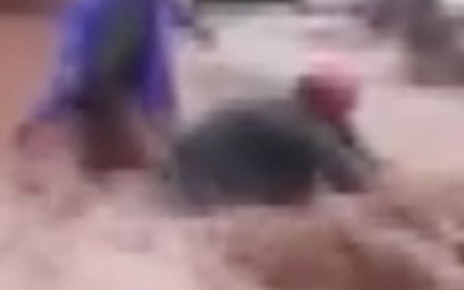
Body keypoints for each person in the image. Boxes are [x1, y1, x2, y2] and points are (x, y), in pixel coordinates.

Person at [15, 0, 212, 176]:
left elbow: (172, 5)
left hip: (135, 66)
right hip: (101, 70)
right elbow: (79, 30)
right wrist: (55, 98)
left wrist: (196, 27)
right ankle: (39, 142)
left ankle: (167, 156)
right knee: (89, 127)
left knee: (157, 119)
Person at [161, 61, 380, 212]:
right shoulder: (302, 126)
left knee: (297, 188)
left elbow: (360, 157)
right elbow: (354, 183)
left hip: (192, 151)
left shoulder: (301, 110)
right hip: (198, 167)